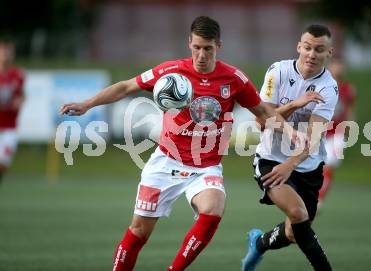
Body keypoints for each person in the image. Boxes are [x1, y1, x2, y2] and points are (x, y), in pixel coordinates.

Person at [60, 16, 298, 271]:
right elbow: (127, 86)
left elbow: (262, 111)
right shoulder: (172, 72)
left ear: (219, 45)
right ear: (189, 44)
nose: (202, 55)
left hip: (205, 167)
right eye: (197, 47)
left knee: (214, 208)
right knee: (138, 232)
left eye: (208, 48)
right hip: (165, 162)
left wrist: (290, 132)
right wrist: (87, 104)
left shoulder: (234, 79)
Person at [241, 24, 338, 271]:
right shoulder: (278, 71)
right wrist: (296, 103)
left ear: (329, 52)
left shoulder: (329, 87)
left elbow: (313, 138)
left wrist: (291, 164)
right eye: (307, 47)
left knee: (294, 232)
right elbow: (261, 120)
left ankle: (259, 243)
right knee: (298, 213)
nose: (312, 54)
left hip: (306, 164)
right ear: (299, 47)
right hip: (271, 159)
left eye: (319, 49)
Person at [319, 58, 356, 206]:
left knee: (329, 164)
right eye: (336, 65)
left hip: (337, 134)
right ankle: (313, 196)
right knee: (315, 167)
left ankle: (319, 199)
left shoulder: (348, 89)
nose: (339, 68)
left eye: (341, 65)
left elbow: (351, 110)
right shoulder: (322, 86)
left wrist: (351, 125)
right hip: (320, 132)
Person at [0, 37, 25, 184]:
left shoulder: (17, 75)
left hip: (9, 128)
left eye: (9, 52)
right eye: (3, 51)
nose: (6, 55)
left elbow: (21, 96)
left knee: (3, 164)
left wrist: (20, 101)